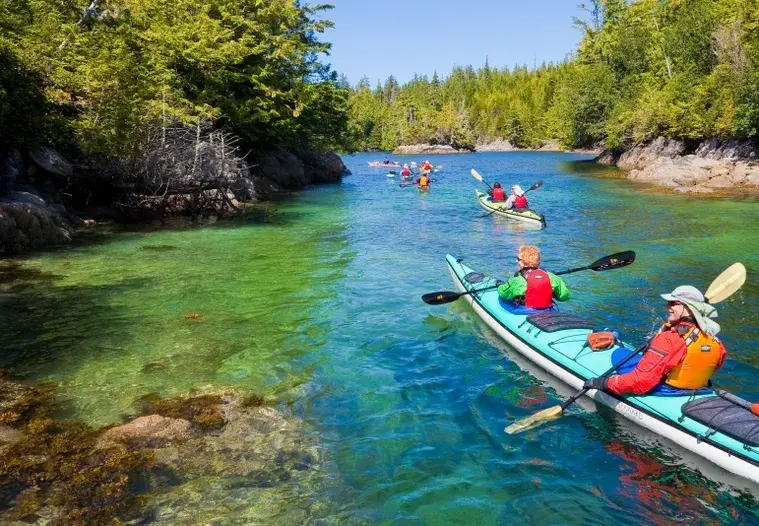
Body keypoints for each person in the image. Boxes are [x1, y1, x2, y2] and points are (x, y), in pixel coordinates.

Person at [583, 286, 727, 395]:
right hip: (698, 388)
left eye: (673, 303)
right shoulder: (714, 339)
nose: (668, 307)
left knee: (619, 354)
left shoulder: (670, 338)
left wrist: (604, 383)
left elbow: (640, 381)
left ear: (690, 308)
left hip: (667, 390)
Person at [497, 245, 570, 309]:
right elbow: (564, 296)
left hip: (525, 311)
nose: (516, 261)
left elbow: (503, 293)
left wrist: (500, 285)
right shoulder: (552, 277)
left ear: (525, 262)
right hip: (547, 311)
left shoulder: (517, 281)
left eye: (518, 259)